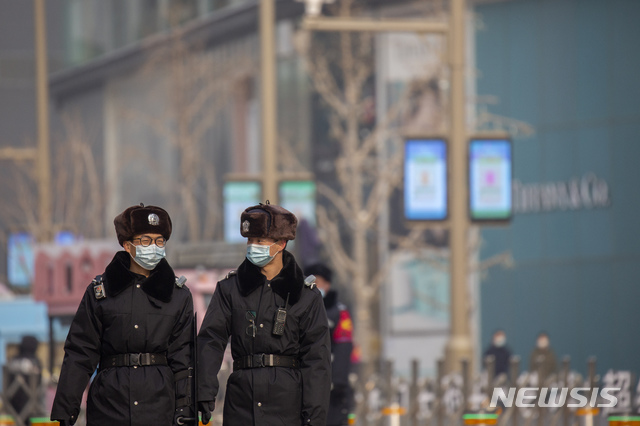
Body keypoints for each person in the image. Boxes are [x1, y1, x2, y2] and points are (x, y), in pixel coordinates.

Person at [51, 203, 194, 426]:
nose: (153, 247)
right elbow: (80, 352)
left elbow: (183, 359)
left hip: (158, 407)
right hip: (109, 406)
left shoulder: (178, 296)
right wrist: (64, 411)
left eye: (159, 241)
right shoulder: (100, 292)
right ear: (128, 245)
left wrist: (185, 410)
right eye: (145, 241)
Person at [197, 202, 331, 426]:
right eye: (249, 241)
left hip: (288, 406)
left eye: (260, 241)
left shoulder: (306, 296)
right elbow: (211, 340)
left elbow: (317, 359)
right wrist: (203, 391)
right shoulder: (230, 289)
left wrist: (315, 415)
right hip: (241, 403)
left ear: (281, 244)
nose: (252, 247)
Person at [304, 263, 354, 426]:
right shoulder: (299, 309)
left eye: (320, 283)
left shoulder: (339, 312)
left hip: (332, 384)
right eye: (312, 282)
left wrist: (337, 380)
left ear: (328, 285)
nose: (316, 287)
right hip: (304, 383)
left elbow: (344, 345)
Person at [5, 335, 43, 425]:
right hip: (31, 404)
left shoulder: (13, 360)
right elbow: (39, 383)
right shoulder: (34, 361)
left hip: (12, 403)